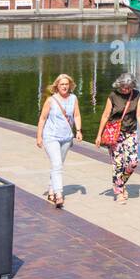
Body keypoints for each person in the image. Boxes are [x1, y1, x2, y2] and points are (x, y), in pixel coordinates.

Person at [95, 71, 140, 203]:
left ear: (133, 86)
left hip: (131, 133)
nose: (125, 90)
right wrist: (99, 135)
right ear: (119, 85)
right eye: (123, 87)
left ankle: (120, 183)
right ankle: (120, 192)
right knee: (118, 164)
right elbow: (105, 115)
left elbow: (139, 114)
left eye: (128, 87)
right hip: (115, 134)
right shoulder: (113, 96)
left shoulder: (136, 95)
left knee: (133, 162)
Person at [35, 74, 82, 207]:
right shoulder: (51, 100)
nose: (65, 86)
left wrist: (78, 131)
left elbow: (77, 115)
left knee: (58, 164)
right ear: (57, 86)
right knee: (57, 165)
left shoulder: (73, 98)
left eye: (67, 84)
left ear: (70, 85)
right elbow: (42, 118)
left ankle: (51, 190)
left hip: (67, 137)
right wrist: (39, 136)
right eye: (62, 84)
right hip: (51, 137)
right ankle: (59, 195)